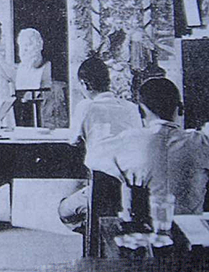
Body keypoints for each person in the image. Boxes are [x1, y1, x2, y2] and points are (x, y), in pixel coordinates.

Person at [87, 78, 209, 215]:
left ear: (140, 111)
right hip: (189, 226)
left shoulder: (129, 139)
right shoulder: (200, 141)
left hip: (144, 225)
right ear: (180, 108)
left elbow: (91, 159)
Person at [58, 56, 142, 233]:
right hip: (133, 190)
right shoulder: (131, 108)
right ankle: (103, 233)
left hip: (101, 188)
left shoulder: (86, 107)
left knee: (64, 210)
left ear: (84, 84)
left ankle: (96, 235)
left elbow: (73, 140)